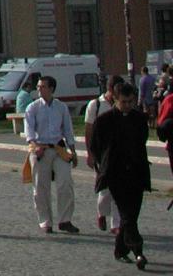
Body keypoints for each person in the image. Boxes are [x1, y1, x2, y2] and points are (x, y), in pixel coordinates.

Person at [89, 82, 151, 267]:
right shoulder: (104, 120)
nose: (128, 105)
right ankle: (138, 250)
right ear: (115, 99)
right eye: (124, 102)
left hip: (137, 173)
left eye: (131, 101)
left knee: (131, 214)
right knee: (126, 214)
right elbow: (95, 146)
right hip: (116, 175)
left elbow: (142, 141)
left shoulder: (139, 119)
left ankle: (120, 249)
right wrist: (104, 164)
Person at [24, 74, 79, 234]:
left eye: (43, 87)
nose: (39, 89)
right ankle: (45, 221)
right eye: (38, 87)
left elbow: (68, 130)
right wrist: (35, 146)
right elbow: (29, 132)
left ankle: (65, 220)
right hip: (40, 149)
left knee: (65, 183)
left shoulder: (61, 107)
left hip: (58, 149)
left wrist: (73, 151)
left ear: (51, 89)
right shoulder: (32, 108)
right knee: (41, 187)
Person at [85, 75, 124, 234]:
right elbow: (88, 130)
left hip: (118, 153)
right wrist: (90, 153)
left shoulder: (121, 105)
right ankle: (101, 212)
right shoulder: (95, 105)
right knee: (104, 189)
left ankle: (116, 224)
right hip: (101, 153)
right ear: (110, 89)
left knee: (118, 189)